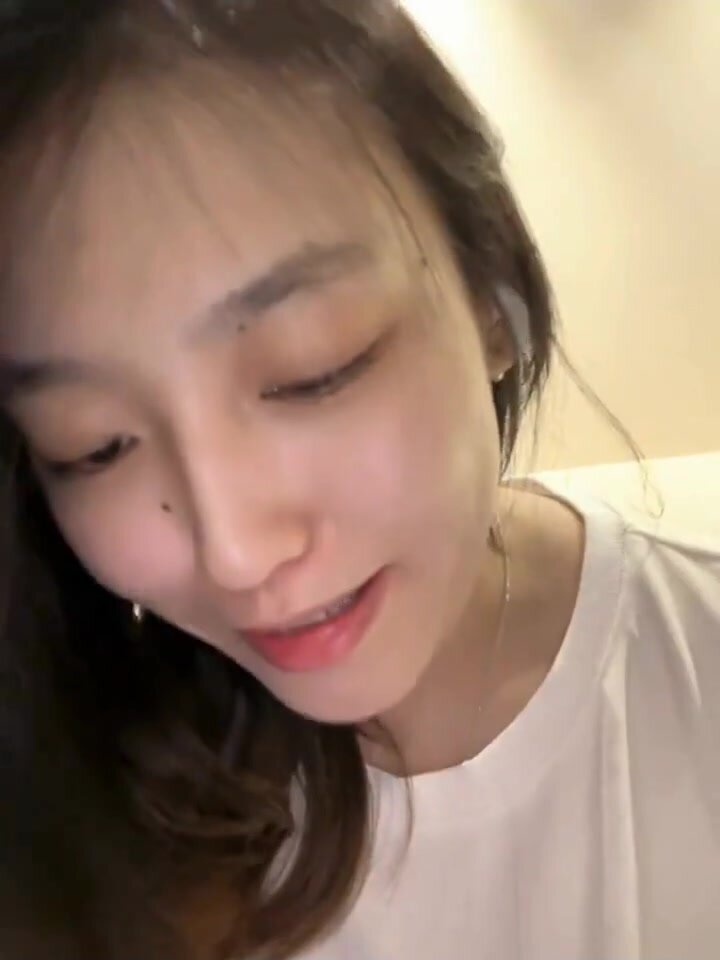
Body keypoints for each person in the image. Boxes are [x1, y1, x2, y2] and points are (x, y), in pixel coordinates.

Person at [0, 1, 718, 958]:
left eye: (314, 368)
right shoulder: (63, 806)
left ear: (492, 300)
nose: (237, 552)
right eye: (93, 446)